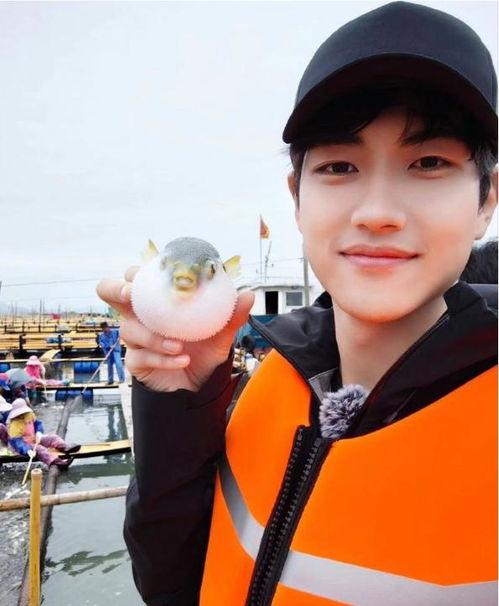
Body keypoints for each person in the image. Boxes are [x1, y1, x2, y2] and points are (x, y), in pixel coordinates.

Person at [97, 2, 497, 604]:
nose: (377, 213)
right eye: (339, 166)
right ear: (297, 198)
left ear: (486, 201)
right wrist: (180, 402)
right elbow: (173, 586)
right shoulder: (269, 384)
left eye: (429, 162)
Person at [6, 398, 80, 467]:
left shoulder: (29, 415)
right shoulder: (14, 425)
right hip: (22, 446)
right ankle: (55, 461)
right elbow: (17, 442)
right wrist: (27, 450)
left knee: (53, 437)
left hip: (34, 439)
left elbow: (38, 424)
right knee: (40, 449)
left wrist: (38, 432)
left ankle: (64, 447)